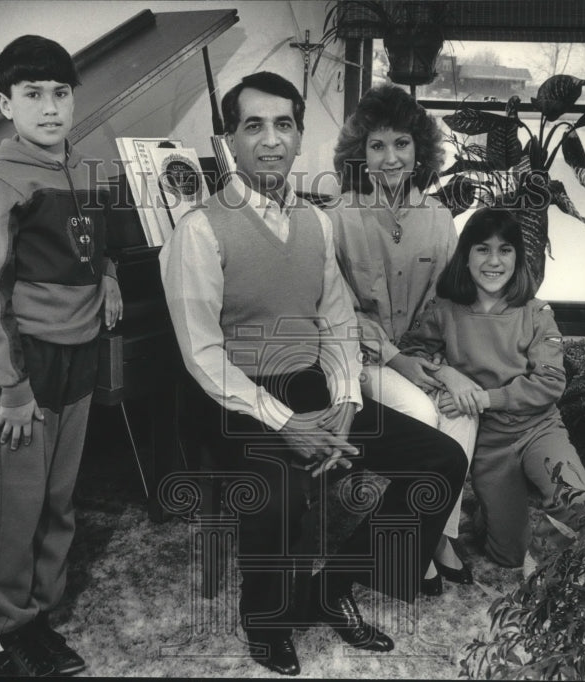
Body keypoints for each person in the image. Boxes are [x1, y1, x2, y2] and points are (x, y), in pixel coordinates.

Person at [160, 71, 467, 677]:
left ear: (300, 136)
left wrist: (347, 400)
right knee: (274, 492)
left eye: (283, 125)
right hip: (232, 400)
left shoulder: (316, 224)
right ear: (229, 140)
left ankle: (335, 585)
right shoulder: (199, 229)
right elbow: (202, 355)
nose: (270, 140)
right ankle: (266, 621)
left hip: (310, 386)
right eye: (254, 126)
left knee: (440, 459)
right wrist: (286, 424)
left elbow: (336, 324)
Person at [0, 34, 122, 677]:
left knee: (60, 499)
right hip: (25, 368)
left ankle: (42, 616)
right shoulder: (0, 178)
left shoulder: (88, 170)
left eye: (60, 92)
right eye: (32, 94)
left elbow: (91, 245)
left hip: (81, 358)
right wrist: (11, 386)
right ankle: (8, 633)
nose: (50, 106)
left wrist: (109, 274)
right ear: (7, 105)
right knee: (17, 506)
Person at [327, 84, 473, 595]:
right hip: (364, 362)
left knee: (463, 408)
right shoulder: (338, 217)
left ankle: (436, 536)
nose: (391, 158)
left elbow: (451, 306)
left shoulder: (439, 219)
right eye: (377, 145)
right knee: (425, 415)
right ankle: (408, 548)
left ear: (420, 152)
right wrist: (394, 358)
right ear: (360, 154)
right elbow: (338, 310)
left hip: (424, 354)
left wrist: (444, 365)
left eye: (402, 144)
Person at [400, 207, 585, 573]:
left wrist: (484, 398)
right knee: (508, 557)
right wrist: (445, 374)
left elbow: (550, 382)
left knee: (580, 504)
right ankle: (492, 514)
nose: (493, 260)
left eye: (505, 250)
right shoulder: (445, 310)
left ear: (517, 257)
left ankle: (542, 499)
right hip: (490, 444)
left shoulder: (536, 313)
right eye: (482, 249)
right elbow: (412, 352)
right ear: (466, 256)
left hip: (538, 429)